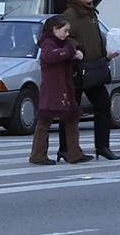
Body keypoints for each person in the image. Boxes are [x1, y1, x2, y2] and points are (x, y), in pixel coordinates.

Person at [57, 0, 120, 161]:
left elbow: (95, 39)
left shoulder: (91, 13)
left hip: (94, 68)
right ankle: (66, 148)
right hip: (77, 70)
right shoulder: (70, 14)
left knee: (102, 104)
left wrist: (106, 53)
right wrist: (75, 49)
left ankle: (102, 147)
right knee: (71, 109)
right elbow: (63, 37)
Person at [29, 15, 92, 165]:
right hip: (53, 87)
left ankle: (74, 153)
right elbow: (50, 56)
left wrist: (77, 52)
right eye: (65, 30)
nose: (67, 34)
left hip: (64, 85)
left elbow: (70, 48)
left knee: (71, 118)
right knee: (45, 120)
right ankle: (38, 155)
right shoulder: (48, 43)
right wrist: (71, 51)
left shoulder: (62, 42)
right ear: (55, 29)